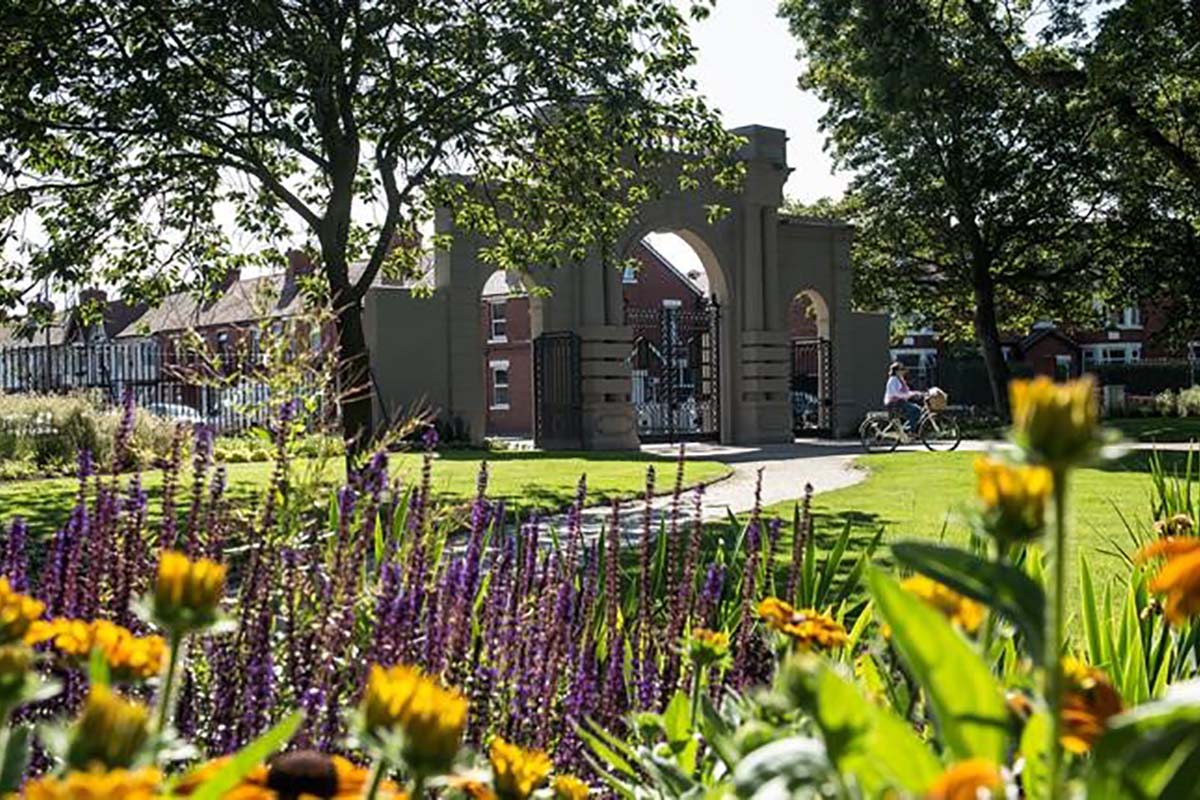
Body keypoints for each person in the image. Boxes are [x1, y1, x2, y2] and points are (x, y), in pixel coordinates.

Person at [883, 362, 923, 432]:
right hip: (894, 403)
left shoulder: (900, 379)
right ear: (896, 371)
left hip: (900, 402)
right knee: (916, 410)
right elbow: (896, 393)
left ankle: (905, 430)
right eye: (901, 369)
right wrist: (910, 395)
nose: (903, 371)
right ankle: (908, 430)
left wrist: (916, 393)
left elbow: (906, 392)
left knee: (916, 411)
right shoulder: (893, 380)